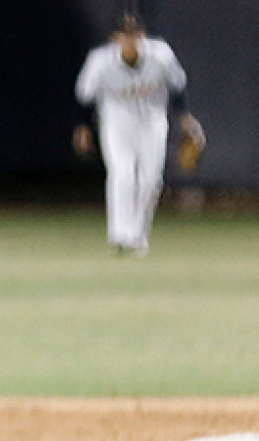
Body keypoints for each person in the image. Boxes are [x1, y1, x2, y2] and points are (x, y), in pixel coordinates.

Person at [73, 11, 202, 258]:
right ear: (116, 39)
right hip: (116, 123)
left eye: (134, 35)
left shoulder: (161, 55)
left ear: (142, 36)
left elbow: (177, 85)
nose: (130, 40)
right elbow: (84, 96)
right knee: (122, 174)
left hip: (153, 122)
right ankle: (120, 234)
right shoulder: (100, 61)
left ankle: (137, 234)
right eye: (125, 36)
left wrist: (185, 117)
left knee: (151, 181)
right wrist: (83, 127)